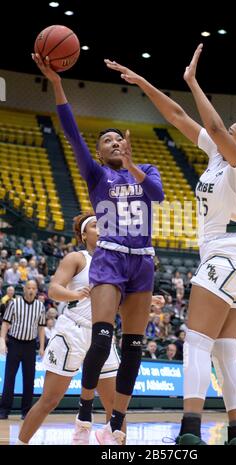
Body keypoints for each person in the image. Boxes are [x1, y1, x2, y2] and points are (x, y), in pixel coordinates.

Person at [105, 42, 236, 445]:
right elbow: (178, 115)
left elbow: (217, 129)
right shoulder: (219, 157)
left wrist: (192, 80)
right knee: (224, 350)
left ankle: (189, 431)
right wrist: (142, 82)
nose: (228, 127)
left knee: (196, 341)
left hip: (229, 252)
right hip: (233, 259)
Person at [32, 53, 164, 446]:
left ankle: (118, 422)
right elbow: (71, 131)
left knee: (134, 348)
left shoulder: (148, 172)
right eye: (106, 141)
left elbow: (155, 194)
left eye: (116, 139)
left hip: (142, 263)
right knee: (102, 339)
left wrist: (133, 163)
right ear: (100, 151)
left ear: (125, 144)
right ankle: (85, 410)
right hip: (110, 256)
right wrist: (56, 84)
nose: (112, 143)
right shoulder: (96, 173)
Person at [17, 213, 120, 445]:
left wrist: (148, 301)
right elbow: (53, 289)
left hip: (103, 335)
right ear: (84, 235)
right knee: (50, 400)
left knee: (115, 406)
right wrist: (74, 294)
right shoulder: (77, 257)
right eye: (95, 226)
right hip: (72, 331)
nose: (102, 229)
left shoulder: (116, 262)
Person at [0, 280, 46, 420]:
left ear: (36, 290)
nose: (31, 290)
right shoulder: (14, 303)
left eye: (33, 288)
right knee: (9, 378)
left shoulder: (40, 306)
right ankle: (4, 410)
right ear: (24, 289)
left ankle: (26, 411)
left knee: (29, 379)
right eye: (28, 288)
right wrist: (2, 340)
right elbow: (6, 323)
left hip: (30, 345)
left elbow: (41, 328)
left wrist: (42, 347)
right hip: (14, 343)